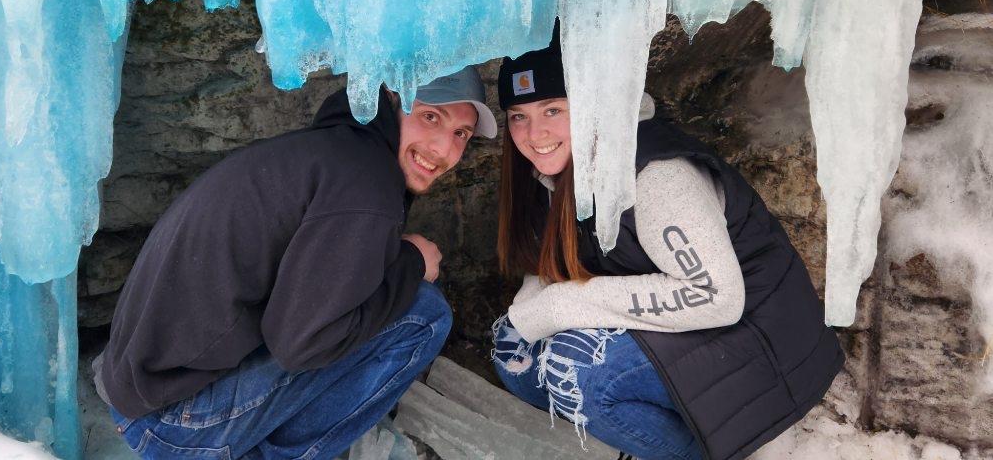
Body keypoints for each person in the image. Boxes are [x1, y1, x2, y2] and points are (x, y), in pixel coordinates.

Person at [95, 66, 498, 460]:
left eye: (460, 133)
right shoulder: (365, 183)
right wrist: (411, 263)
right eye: (430, 117)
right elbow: (302, 345)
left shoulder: (335, 151)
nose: (444, 150)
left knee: (392, 282)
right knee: (424, 311)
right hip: (175, 424)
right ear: (391, 100)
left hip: (142, 392)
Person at [490, 36, 844, 460]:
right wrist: (529, 310)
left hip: (759, 340)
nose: (534, 134)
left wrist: (560, 306)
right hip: (687, 326)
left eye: (553, 110)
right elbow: (559, 261)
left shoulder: (659, 177)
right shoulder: (560, 171)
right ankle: (628, 443)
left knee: (575, 369)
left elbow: (716, 297)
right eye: (518, 116)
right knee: (515, 354)